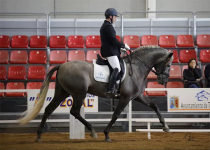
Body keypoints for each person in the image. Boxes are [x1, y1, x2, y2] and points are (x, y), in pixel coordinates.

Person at [100, 8, 130, 94]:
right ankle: (111, 88)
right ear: (110, 16)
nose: (116, 19)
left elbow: (110, 41)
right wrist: (123, 45)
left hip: (111, 50)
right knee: (117, 68)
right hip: (110, 52)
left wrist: (120, 48)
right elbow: (113, 40)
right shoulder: (108, 26)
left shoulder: (106, 25)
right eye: (115, 17)